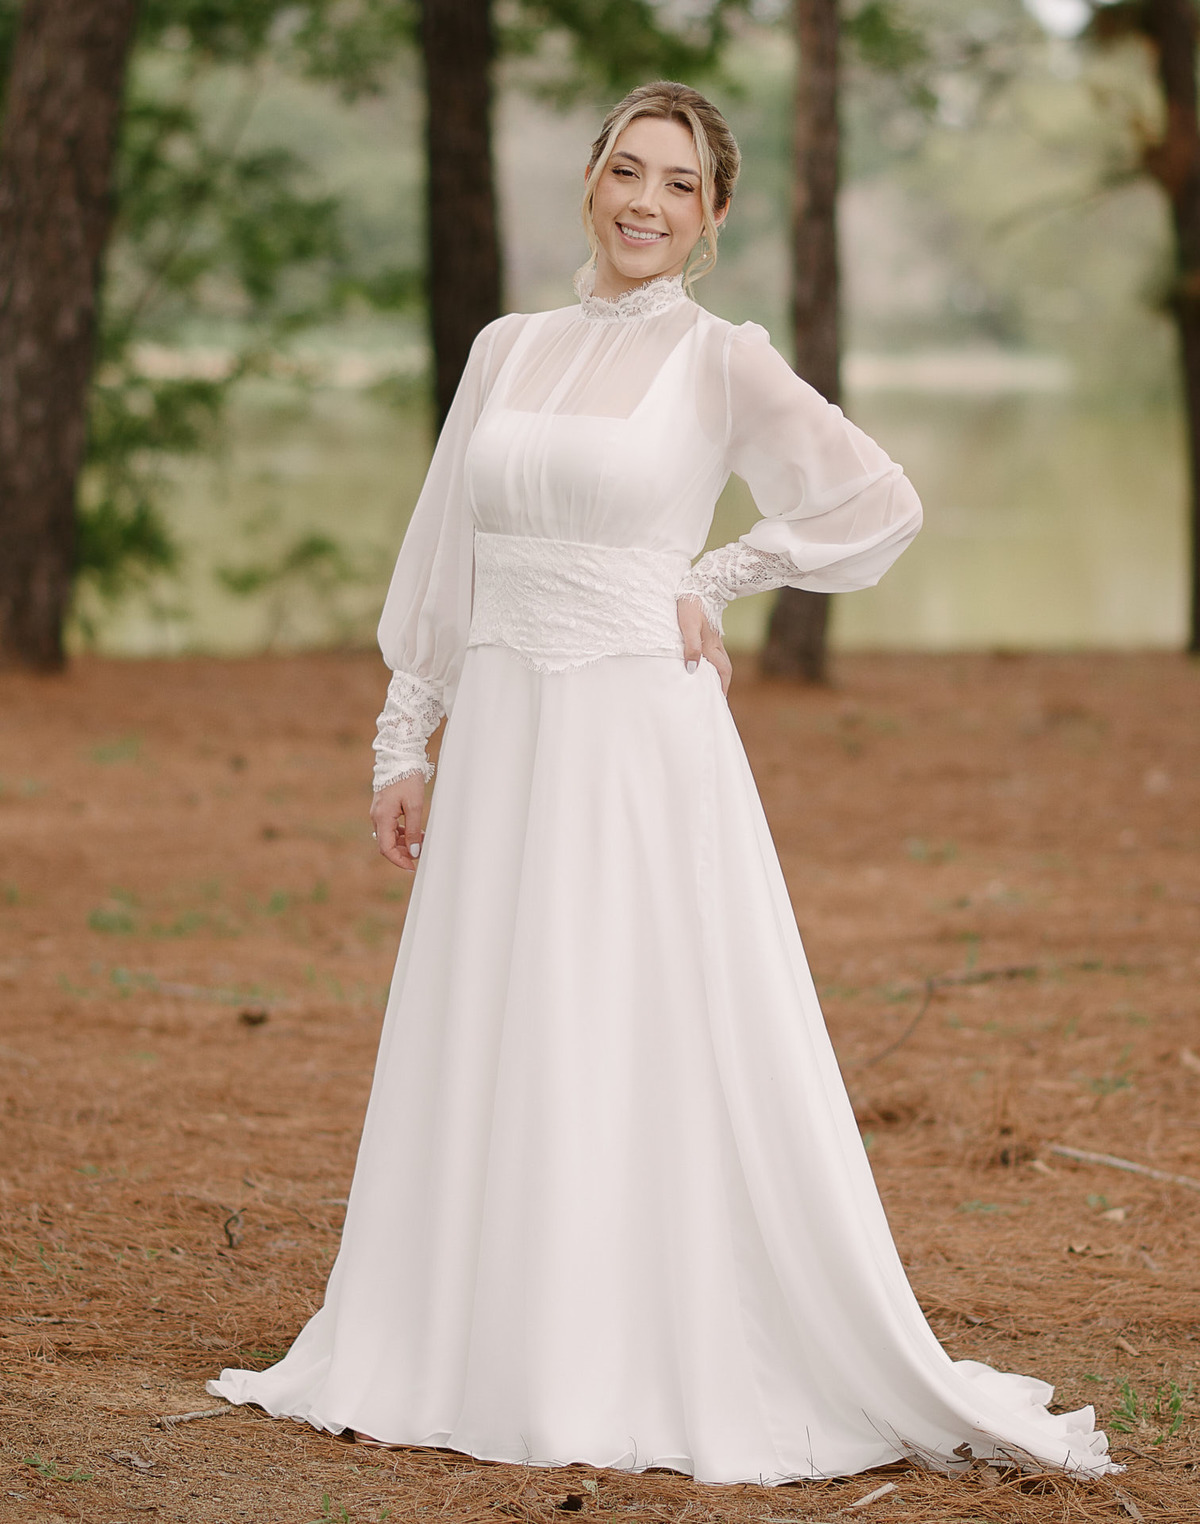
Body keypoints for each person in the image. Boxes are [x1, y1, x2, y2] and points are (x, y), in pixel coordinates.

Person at [208, 81, 1113, 1485]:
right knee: (497, 1013)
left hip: (637, 735)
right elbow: (447, 555)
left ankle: (622, 1346)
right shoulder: (507, 349)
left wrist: (720, 570)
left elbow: (877, 497)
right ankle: (467, 1336)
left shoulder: (720, 361)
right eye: (625, 170)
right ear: (589, 182)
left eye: (677, 185)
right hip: (504, 731)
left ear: (712, 217)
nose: (644, 201)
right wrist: (406, 735)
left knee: (622, 1014)